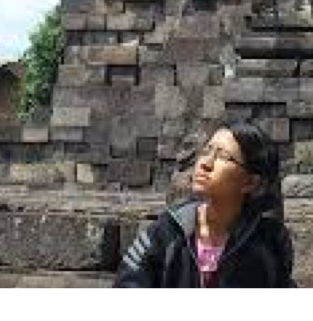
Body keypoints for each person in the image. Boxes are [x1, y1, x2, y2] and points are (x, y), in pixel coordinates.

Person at [115, 120, 294, 287]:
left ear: (250, 183)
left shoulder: (270, 241)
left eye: (222, 156)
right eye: (207, 151)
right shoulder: (166, 232)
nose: (205, 163)